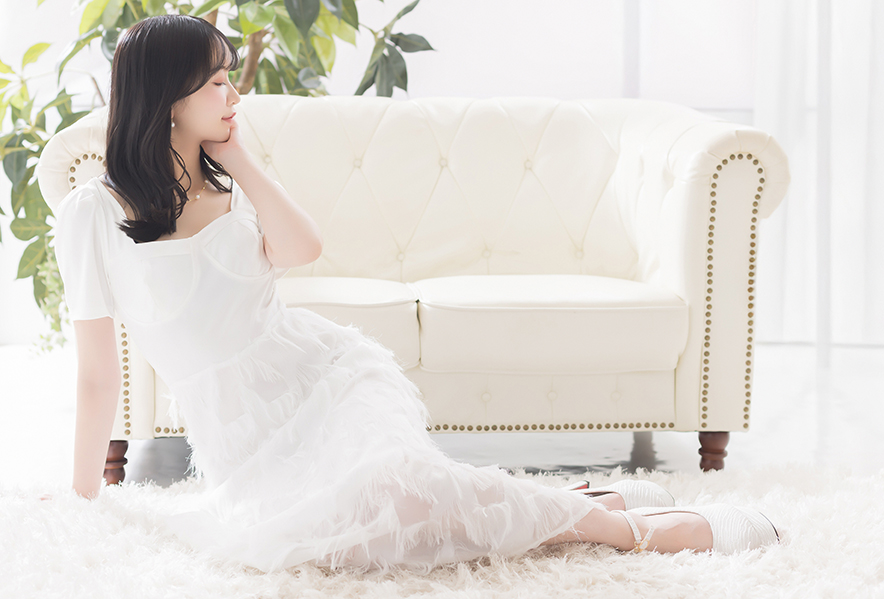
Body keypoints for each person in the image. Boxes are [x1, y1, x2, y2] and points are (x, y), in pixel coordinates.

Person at [49, 14, 780, 576]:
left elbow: (302, 250)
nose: (233, 94)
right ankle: (585, 499)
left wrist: (239, 158)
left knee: (396, 492)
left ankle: (629, 530)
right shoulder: (93, 215)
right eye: (216, 82)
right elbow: (96, 374)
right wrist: (84, 498)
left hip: (324, 379)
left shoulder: (230, 184)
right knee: (350, 538)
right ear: (167, 97)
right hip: (246, 442)